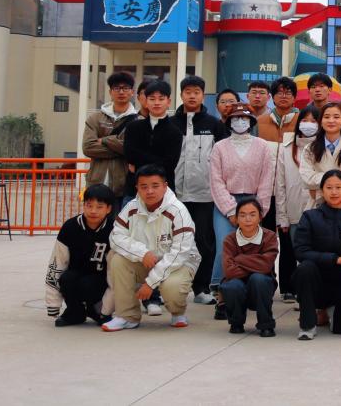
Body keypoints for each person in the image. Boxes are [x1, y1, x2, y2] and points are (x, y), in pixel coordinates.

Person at [103, 164, 200, 331]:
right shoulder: (131, 207)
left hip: (179, 263)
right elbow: (116, 237)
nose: (149, 191)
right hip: (146, 260)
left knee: (172, 287)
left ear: (165, 186)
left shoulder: (178, 210)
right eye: (144, 187)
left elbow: (180, 253)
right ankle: (127, 316)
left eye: (155, 186)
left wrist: (149, 283)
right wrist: (142, 253)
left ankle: (177, 312)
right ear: (137, 188)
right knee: (117, 260)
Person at [208, 103, 275, 305]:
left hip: (253, 203)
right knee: (225, 244)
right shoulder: (219, 147)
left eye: (244, 118)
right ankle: (221, 289)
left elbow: (266, 179)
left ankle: (249, 288)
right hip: (226, 202)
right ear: (229, 122)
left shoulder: (263, 146)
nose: (240, 122)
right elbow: (216, 181)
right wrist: (231, 210)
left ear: (251, 121)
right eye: (235, 118)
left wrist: (259, 209)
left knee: (251, 247)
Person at [171, 75, 225, 305]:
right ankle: (170, 287)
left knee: (204, 242)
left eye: (196, 92)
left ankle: (201, 288)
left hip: (204, 194)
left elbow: (222, 158)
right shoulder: (170, 124)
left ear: (203, 95)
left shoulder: (214, 124)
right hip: (174, 195)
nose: (192, 96)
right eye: (188, 92)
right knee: (173, 242)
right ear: (181, 95)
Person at [293, 170, 341, 338]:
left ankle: (334, 310)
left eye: (338, 187)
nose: (334, 192)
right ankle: (307, 326)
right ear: (322, 191)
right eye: (329, 187)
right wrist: (334, 259)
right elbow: (301, 251)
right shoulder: (309, 217)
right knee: (305, 268)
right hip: (314, 282)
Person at [45, 183, 115, 326]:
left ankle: (96, 309)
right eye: (89, 205)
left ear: (108, 209)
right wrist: (53, 304)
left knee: (89, 284)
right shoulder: (70, 227)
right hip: (75, 275)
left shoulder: (114, 230)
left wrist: (106, 310)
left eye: (99, 207)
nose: (93, 211)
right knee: (66, 278)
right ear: (83, 205)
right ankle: (75, 312)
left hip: (100, 280)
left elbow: (114, 274)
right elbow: (57, 263)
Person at [273, 105, 320, 304]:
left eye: (313, 121)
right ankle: (290, 288)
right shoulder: (286, 147)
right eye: (305, 120)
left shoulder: (323, 146)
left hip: (316, 208)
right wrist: (282, 216)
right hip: (292, 208)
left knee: (313, 252)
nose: (309, 125)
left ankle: (310, 292)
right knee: (291, 250)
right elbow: (280, 184)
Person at [219, 196, 279, 337]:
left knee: (259, 279)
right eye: (242, 215)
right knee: (232, 285)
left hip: (260, 288)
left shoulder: (269, 237)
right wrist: (256, 264)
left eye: (252, 215)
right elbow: (229, 272)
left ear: (260, 217)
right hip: (237, 288)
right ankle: (236, 323)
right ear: (236, 219)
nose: (247, 219)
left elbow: (266, 266)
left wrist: (239, 259)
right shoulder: (230, 240)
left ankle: (266, 324)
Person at [121, 79, 180, 199]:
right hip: (134, 190)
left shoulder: (175, 132)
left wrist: (138, 164)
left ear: (168, 102)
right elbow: (129, 155)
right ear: (146, 101)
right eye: (152, 99)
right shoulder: (133, 127)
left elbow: (169, 164)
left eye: (161, 99)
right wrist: (157, 159)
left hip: (164, 191)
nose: (156, 103)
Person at [82, 71, 136, 198]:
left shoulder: (138, 121)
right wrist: (122, 149)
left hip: (124, 187)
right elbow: (88, 147)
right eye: (117, 88)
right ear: (110, 92)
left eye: (125, 88)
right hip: (96, 184)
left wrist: (105, 140)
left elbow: (134, 151)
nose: (121, 92)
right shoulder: (95, 118)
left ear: (132, 92)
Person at [300, 102, 341, 206]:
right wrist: (339, 182)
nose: (331, 120)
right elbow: (307, 179)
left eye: (336, 117)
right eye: (327, 117)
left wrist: (319, 191)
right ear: (321, 122)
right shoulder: (310, 149)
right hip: (316, 206)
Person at [257, 77, 299, 142]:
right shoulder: (259, 121)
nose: (284, 96)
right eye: (279, 93)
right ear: (273, 97)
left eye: (288, 93)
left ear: (294, 98)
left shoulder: (301, 120)